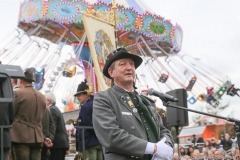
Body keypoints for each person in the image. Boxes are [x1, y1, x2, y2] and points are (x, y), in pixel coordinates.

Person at [93, 48, 174, 160]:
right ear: (111, 72)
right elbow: (111, 136)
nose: (129, 68)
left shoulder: (147, 101)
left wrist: (167, 147)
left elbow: (163, 130)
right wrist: (154, 148)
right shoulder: (104, 98)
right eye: (122, 64)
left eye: (132, 64)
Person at [10, 67, 47, 160]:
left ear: (21, 80)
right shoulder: (42, 97)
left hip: (21, 137)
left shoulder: (17, 93)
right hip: (37, 137)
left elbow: (10, 115)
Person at [74, 80, 102, 160]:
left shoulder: (85, 107)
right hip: (98, 142)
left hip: (89, 143)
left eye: (79, 95)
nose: (78, 98)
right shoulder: (95, 104)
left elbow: (88, 124)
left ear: (86, 94)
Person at [45, 92, 69, 160]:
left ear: (48, 101)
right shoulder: (57, 109)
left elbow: (53, 127)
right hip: (61, 143)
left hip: (56, 144)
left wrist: (49, 142)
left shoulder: (51, 110)